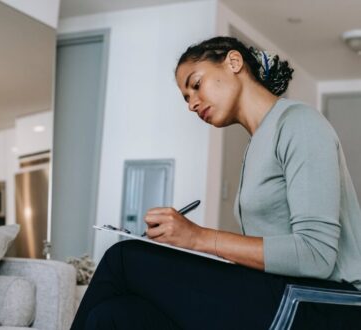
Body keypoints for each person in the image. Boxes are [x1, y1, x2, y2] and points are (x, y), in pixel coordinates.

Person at [71, 36, 361, 329]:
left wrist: (198, 238)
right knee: (113, 315)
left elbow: (317, 256)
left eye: (196, 85)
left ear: (234, 63)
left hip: (328, 305)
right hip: (281, 292)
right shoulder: (257, 144)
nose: (192, 104)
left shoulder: (299, 122)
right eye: (186, 98)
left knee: (123, 258)